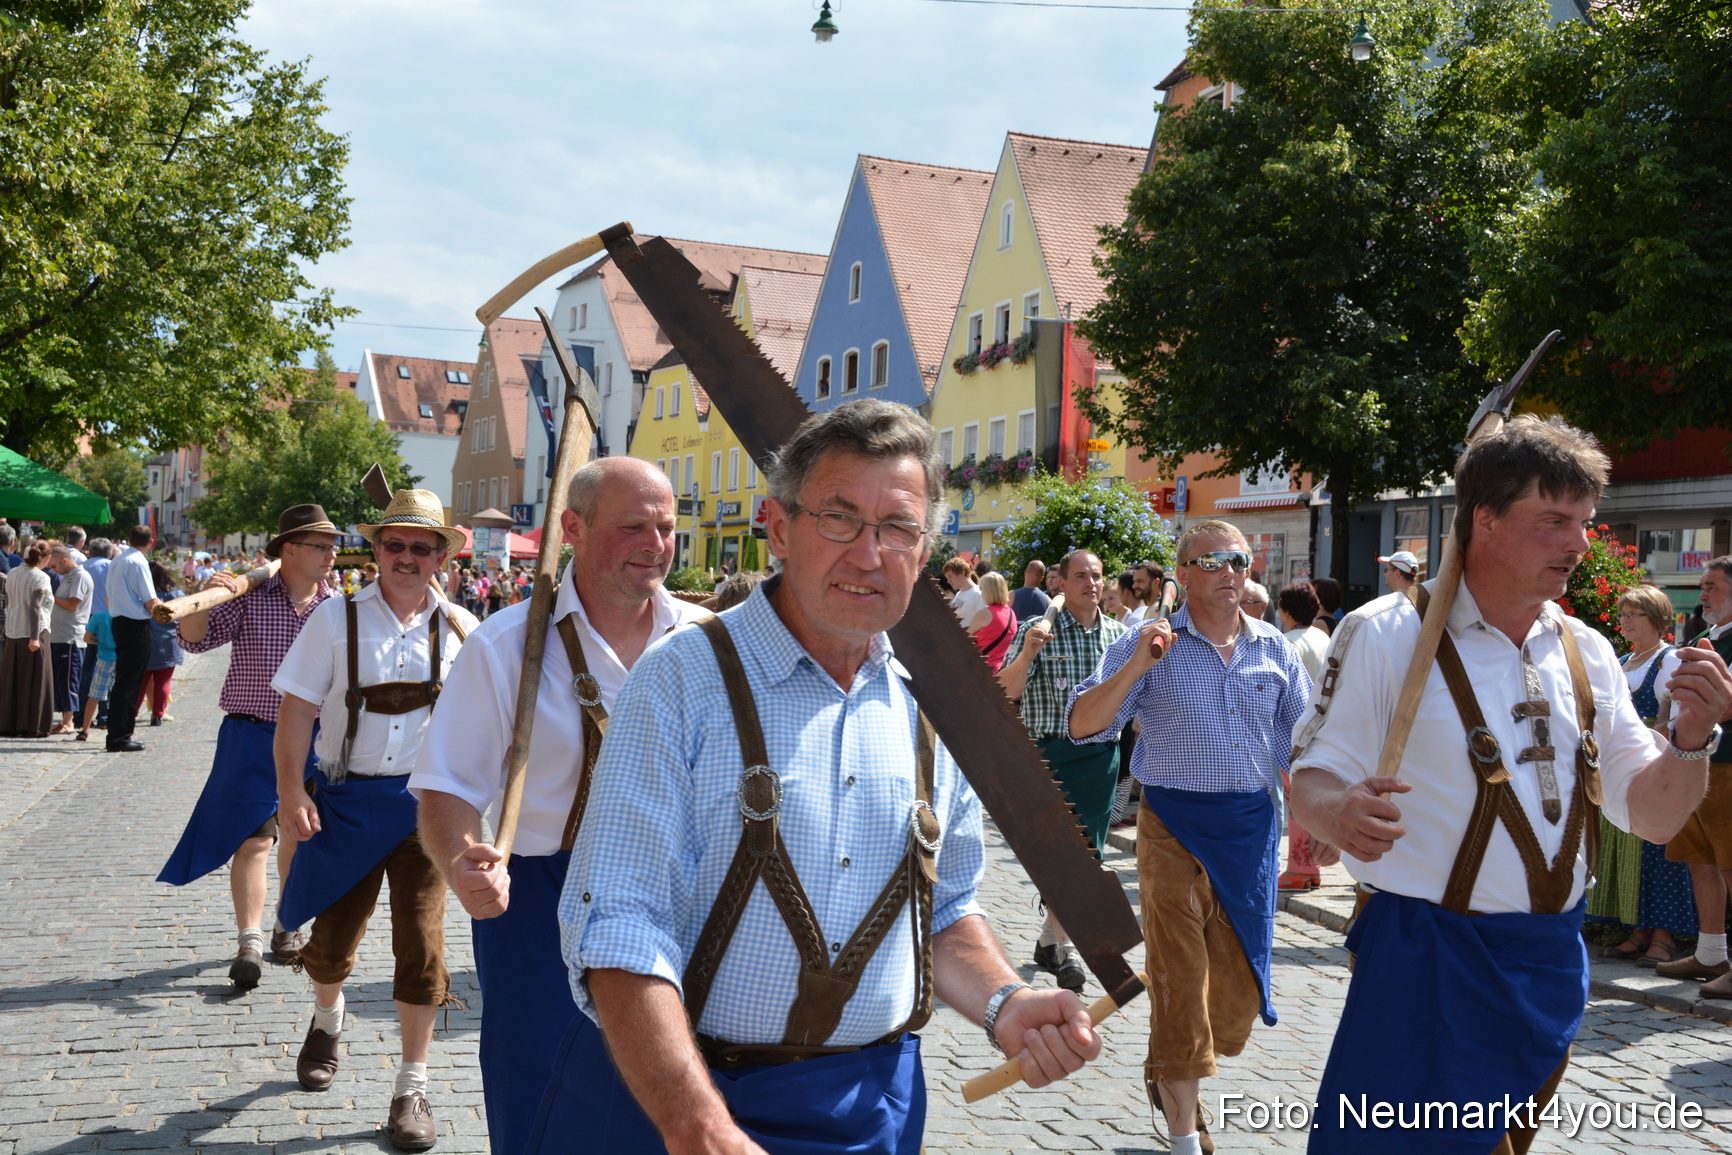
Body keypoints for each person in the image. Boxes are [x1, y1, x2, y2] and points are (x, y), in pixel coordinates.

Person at [538, 399, 1101, 1154]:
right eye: (839, 517)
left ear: (926, 546)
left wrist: (1007, 1001)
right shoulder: (680, 682)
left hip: (877, 1110)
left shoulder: (931, 705)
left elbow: (943, 907)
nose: (869, 554)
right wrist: (694, 1122)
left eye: (898, 527)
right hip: (695, 1103)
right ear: (778, 527)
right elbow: (619, 925)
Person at [1288, 416, 1732, 1153]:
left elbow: (1651, 816)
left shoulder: (1586, 651)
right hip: (1425, 963)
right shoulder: (1385, 632)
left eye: (1584, 522)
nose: (1579, 544)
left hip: (1551, 965)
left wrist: (1691, 742)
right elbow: (1311, 776)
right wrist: (1338, 811)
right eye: (1555, 520)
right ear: (1484, 520)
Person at [414, 458, 711, 1155]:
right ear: (572, 528)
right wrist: (463, 861)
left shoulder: (707, 641)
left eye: (667, 527)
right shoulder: (505, 646)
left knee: (679, 1097)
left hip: (685, 897)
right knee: (543, 1094)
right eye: (634, 525)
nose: (656, 542)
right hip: (542, 905)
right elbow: (446, 787)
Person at [1067, 520, 1311, 1155]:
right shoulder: (1150, 642)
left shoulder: (1275, 649)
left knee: (1232, 1005)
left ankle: (1171, 1070)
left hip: (1252, 831)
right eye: (1212, 561)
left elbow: (1309, 744)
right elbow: (1083, 723)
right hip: (1171, 827)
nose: (1229, 570)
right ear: (1182, 574)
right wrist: (1139, 664)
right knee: (1178, 978)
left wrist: (1324, 821)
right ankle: (1182, 1135)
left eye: (1238, 559)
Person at [271, 490, 477, 1150]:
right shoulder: (334, 619)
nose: (408, 557)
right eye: (396, 544)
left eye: (423, 546)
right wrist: (289, 790)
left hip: (426, 812)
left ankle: (410, 1087)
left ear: (442, 555)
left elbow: (490, 722)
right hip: (345, 802)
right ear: (377, 550)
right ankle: (327, 1019)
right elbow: (297, 711)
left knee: (422, 946)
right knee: (329, 944)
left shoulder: (466, 629)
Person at [161, 505, 340, 990]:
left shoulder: (338, 606)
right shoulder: (251, 598)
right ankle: (250, 941)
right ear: (290, 550)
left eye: (332, 545)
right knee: (253, 837)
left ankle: (288, 925)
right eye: (321, 546)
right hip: (250, 734)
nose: (332, 553)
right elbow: (196, 641)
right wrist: (203, 599)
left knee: (299, 834)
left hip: (314, 739)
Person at [998, 548, 1129, 993]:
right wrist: (1027, 655)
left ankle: (1056, 944)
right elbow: (1005, 693)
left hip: (1100, 760)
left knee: (1086, 855)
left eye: (1096, 575)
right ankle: (1062, 946)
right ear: (1061, 583)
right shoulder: (1039, 631)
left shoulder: (1118, 635)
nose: (1090, 583)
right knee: (1059, 855)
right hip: (1050, 758)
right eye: (1080, 576)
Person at [1589, 584, 1697, 966]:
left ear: (1655, 617)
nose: (1624, 621)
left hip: (1654, 759)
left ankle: (1664, 937)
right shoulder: (1620, 662)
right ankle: (1637, 929)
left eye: (1633, 614)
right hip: (1619, 762)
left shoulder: (1668, 659)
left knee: (1658, 849)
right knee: (1629, 850)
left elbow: (1676, 713)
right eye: (1622, 614)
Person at [1657, 555, 1732, 995]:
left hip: (1728, 764)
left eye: (1713, 586)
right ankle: (1710, 953)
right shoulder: (1704, 637)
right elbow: (1676, 701)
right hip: (1695, 763)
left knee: (1730, 863)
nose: (1702, 594)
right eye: (1703, 586)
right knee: (1700, 859)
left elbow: (1723, 706)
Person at [1274, 580, 1331, 893]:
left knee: (1297, 803)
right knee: (1314, 798)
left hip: (1295, 732)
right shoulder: (1323, 638)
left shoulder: (1287, 642)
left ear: (1285, 612)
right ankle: (1312, 866)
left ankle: (1300, 867)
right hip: (1326, 730)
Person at [105, 524, 162, 753]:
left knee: (124, 681)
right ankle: (120, 737)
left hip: (119, 621)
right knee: (129, 683)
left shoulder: (118, 559)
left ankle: (117, 734)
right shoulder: (138, 562)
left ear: (129, 539)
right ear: (151, 542)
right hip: (134, 625)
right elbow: (150, 601)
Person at [0, 542, 55, 737]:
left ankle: (9, 723)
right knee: (36, 679)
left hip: (13, 631)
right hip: (34, 632)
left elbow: (8, 601)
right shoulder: (41, 577)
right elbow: (35, 607)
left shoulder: (13, 573)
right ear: (46, 557)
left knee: (13, 679)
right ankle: (34, 725)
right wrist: (34, 638)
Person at [48, 545, 94, 735]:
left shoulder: (80, 576)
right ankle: (65, 719)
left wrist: (50, 596)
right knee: (61, 680)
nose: (53, 570)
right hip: (60, 635)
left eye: (54, 565)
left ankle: (69, 721)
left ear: (64, 560)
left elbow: (72, 604)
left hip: (71, 637)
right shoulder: (68, 577)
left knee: (68, 681)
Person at [139, 562, 184, 725]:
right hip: (169, 643)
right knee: (164, 681)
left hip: (147, 641)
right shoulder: (177, 594)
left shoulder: (145, 596)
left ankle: (132, 712)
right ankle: (158, 714)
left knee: (140, 681)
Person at [79, 539, 114, 728]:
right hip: (109, 619)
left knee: (86, 670)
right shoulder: (112, 567)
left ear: (90, 551)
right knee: (108, 671)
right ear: (109, 553)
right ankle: (104, 717)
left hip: (87, 619)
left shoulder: (82, 566)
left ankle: (80, 715)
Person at [77, 608, 117, 742]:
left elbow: (87, 638)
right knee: (121, 697)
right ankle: (118, 729)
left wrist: (100, 641)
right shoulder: (126, 615)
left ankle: (84, 730)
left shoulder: (99, 616)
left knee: (94, 696)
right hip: (123, 658)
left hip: (105, 658)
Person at [966, 571, 1017, 672]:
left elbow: (963, 639)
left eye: (981, 589)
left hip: (984, 671)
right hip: (1004, 670)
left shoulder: (985, 614)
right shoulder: (1011, 613)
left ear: (987, 591)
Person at [943, 556, 985, 626]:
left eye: (950, 576)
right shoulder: (959, 594)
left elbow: (985, 622)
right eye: (947, 578)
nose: (948, 581)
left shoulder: (978, 594)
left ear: (962, 572)